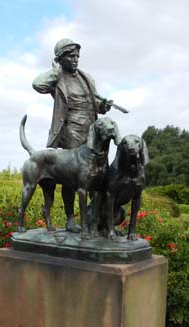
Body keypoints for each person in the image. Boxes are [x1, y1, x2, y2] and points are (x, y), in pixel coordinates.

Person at [33, 38, 111, 232]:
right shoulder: (58, 78)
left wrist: (103, 106)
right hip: (71, 131)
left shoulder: (87, 78)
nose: (75, 59)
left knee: (99, 176)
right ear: (60, 59)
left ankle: (95, 220)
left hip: (93, 132)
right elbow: (37, 84)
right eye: (70, 56)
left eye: (77, 56)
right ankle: (70, 219)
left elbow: (95, 104)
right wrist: (54, 71)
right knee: (70, 177)